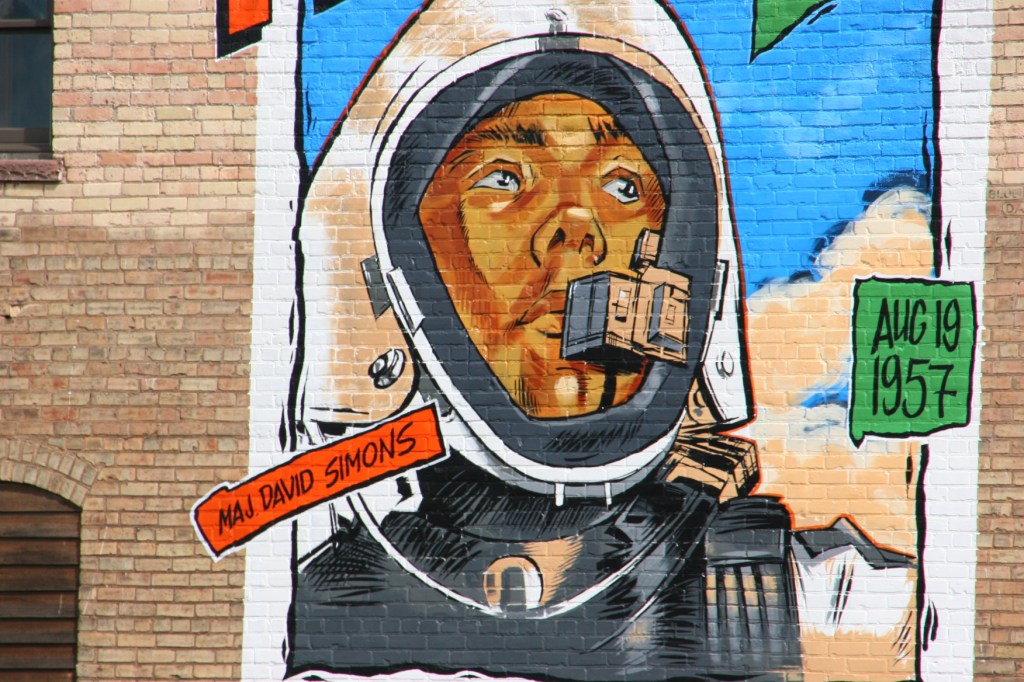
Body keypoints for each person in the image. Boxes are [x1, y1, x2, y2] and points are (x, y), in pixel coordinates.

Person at [286, 0, 915, 679]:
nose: (577, 227)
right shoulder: (292, 618)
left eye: (622, 185)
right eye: (504, 178)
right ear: (390, 269)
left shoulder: (829, 611)